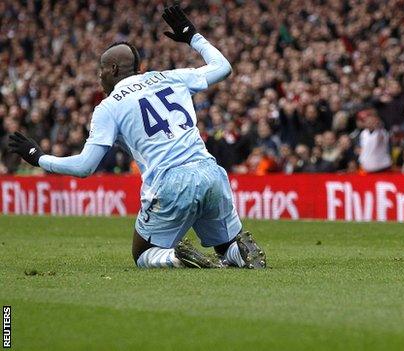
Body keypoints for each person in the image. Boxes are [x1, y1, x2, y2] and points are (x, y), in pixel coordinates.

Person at [8, 5, 266, 270]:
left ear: (115, 68)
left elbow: (85, 167)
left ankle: (176, 257)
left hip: (171, 181)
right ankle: (237, 252)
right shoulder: (172, 77)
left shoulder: (109, 106)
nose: (99, 76)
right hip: (210, 171)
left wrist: (38, 158)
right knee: (224, 244)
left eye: (102, 69)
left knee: (144, 253)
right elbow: (223, 67)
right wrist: (192, 36)